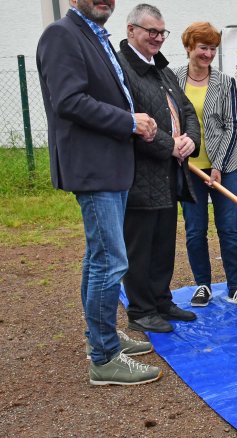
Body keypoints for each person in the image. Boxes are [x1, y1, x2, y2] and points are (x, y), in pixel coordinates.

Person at [37, 0, 161, 385]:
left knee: (98, 259)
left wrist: (136, 121)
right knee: (110, 262)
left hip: (108, 164)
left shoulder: (93, 35)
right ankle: (105, 358)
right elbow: (69, 101)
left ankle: (101, 335)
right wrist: (129, 121)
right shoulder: (62, 34)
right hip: (93, 167)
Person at [117, 4, 200, 333]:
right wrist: (171, 146)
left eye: (161, 32)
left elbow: (187, 110)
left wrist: (191, 139)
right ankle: (141, 310)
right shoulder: (122, 70)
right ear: (131, 31)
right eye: (151, 31)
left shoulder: (162, 70)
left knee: (165, 240)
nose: (157, 38)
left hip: (169, 173)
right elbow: (130, 125)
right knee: (140, 245)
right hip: (140, 174)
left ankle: (161, 300)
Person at [175, 22, 237, 309]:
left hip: (226, 166)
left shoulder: (225, 82)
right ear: (189, 47)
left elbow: (231, 126)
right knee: (196, 230)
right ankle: (203, 286)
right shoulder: (173, 80)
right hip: (190, 170)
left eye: (212, 48)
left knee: (229, 229)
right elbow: (171, 121)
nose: (208, 54)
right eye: (203, 48)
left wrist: (218, 166)